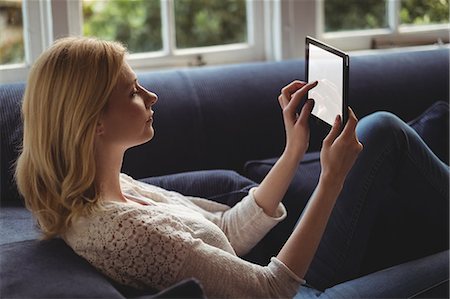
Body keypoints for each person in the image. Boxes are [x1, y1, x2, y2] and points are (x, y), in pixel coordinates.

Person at [15, 36, 448, 298]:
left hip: (288, 282)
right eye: (132, 91)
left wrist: (293, 149)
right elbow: (272, 290)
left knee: (382, 130)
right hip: (298, 294)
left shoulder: (115, 189)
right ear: (93, 123)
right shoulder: (123, 232)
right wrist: (331, 178)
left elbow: (227, 230)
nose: (151, 97)